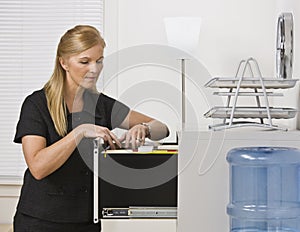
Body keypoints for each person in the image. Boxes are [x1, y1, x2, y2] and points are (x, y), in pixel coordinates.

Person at [13, 25, 169, 232]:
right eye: (84, 62)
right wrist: (79, 132)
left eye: (99, 61)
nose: (94, 69)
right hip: (40, 221)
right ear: (63, 62)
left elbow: (162, 127)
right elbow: (38, 168)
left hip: (86, 221)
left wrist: (143, 128)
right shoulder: (36, 104)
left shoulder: (101, 104)